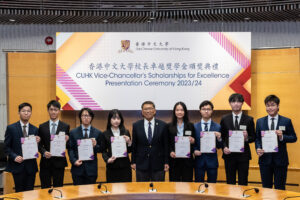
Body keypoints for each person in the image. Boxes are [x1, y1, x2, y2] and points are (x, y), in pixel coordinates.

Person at [255, 95, 297, 190]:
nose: (270, 108)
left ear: (278, 106)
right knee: (266, 188)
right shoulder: (260, 121)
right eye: (267, 105)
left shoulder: (286, 121)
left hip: (280, 161)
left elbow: (294, 138)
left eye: (273, 105)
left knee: (280, 188)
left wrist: (282, 136)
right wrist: (258, 148)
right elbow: (257, 138)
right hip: (265, 160)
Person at [220, 93, 255, 185]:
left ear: (242, 103)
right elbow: (222, 137)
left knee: (243, 182)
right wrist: (224, 147)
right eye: (233, 101)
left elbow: (253, 137)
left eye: (239, 101)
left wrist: (247, 138)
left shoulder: (249, 119)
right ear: (230, 103)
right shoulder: (224, 119)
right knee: (230, 182)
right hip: (229, 155)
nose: (236, 104)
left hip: (243, 156)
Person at [4, 103, 40, 192]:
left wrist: (38, 142)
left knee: (30, 192)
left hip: (31, 166)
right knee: (19, 191)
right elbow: (6, 147)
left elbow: (36, 148)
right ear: (19, 113)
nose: (26, 113)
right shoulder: (11, 128)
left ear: (31, 113)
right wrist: (14, 156)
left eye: (28, 111)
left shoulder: (35, 129)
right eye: (23, 111)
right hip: (17, 166)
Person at [131, 101, 169, 181]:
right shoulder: (136, 125)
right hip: (141, 164)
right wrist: (133, 161)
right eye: (145, 109)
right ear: (142, 112)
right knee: (142, 191)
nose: (148, 111)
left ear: (154, 111)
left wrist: (166, 162)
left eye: (150, 108)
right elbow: (134, 145)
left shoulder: (163, 125)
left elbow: (166, 145)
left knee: (159, 190)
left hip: (158, 164)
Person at [38, 100, 70, 188]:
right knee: (44, 188)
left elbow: (67, 145)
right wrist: (44, 152)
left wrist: (67, 140)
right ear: (48, 110)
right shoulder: (42, 126)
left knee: (58, 187)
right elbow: (39, 144)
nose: (53, 112)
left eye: (55, 110)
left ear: (59, 111)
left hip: (59, 162)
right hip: (45, 162)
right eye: (51, 109)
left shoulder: (65, 126)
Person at [68, 108, 102, 185]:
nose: (86, 118)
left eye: (88, 116)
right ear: (80, 117)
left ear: (91, 117)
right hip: (77, 168)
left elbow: (101, 149)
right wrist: (74, 161)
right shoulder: (73, 132)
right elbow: (70, 149)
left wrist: (95, 145)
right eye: (84, 115)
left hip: (91, 169)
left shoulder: (98, 132)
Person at [194, 100, 222, 183]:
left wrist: (219, 138)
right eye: (203, 109)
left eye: (208, 109)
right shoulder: (194, 126)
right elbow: (192, 143)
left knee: (213, 187)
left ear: (212, 111)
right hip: (199, 160)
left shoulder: (218, 127)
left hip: (212, 161)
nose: (206, 111)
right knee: (198, 186)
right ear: (200, 111)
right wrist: (194, 150)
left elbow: (220, 146)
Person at [102, 109, 132, 183]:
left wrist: (129, 142)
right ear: (109, 120)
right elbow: (103, 150)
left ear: (121, 120)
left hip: (125, 166)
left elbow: (130, 150)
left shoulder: (126, 132)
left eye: (118, 118)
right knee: (113, 190)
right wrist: (107, 159)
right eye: (114, 118)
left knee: (126, 190)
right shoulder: (105, 133)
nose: (116, 120)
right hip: (112, 166)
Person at [167, 102, 195, 182]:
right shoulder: (169, 126)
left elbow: (194, 142)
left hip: (187, 161)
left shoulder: (190, 125)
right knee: (174, 185)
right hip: (174, 160)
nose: (179, 112)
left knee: (187, 184)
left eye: (182, 110)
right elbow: (167, 143)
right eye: (177, 110)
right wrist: (171, 151)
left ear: (185, 112)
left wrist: (193, 141)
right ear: (174, 112)